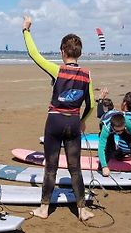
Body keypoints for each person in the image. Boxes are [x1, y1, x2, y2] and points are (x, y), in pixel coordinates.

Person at [22, 16, 95, 221]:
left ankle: (44, 209)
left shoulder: (57, 70)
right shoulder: (87, 75)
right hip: (73, 123)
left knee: (51, 167)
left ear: (63, 52)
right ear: (78, 53)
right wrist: (82, 120)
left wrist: (26, 30)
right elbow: (91, 104)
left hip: (54, 122)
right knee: (75, 168)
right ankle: (82, 210)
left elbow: (34, 55)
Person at [98, 112, 131, 177]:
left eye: (122, 130)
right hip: (107, 125)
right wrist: (104, 166)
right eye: (117, 131)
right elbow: (101, 148)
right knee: (108, 148)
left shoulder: (127, 122)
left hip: (118, 123)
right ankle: (101, 167)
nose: (119, 133)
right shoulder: (106, 128)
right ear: (112, 127)